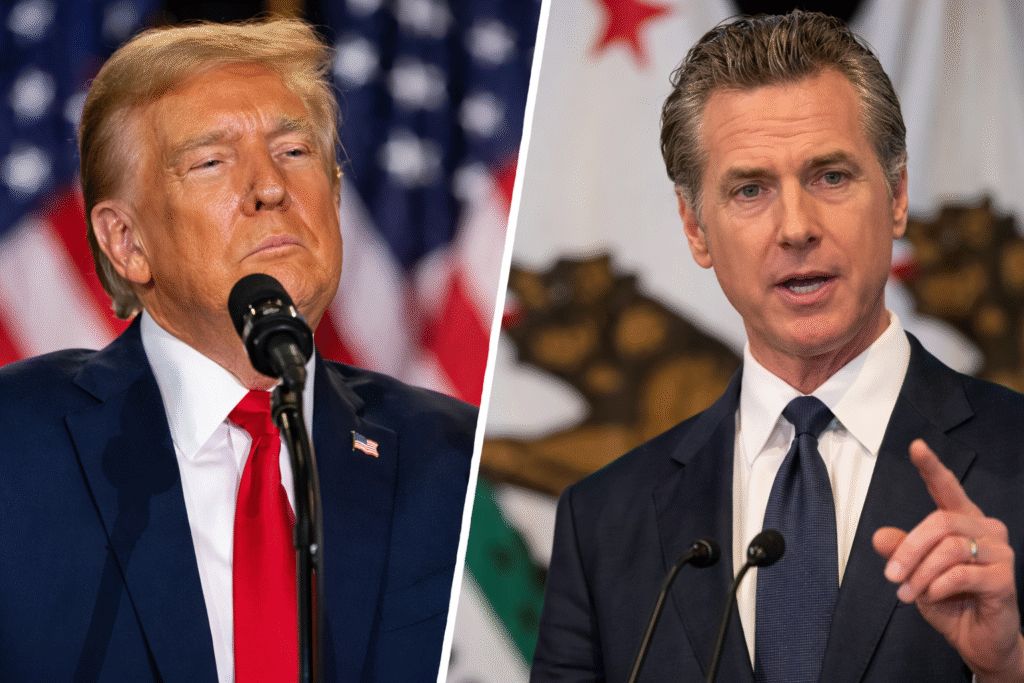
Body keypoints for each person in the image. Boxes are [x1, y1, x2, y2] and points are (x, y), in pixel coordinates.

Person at [531, 10, 1024, 683]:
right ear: (695, 227)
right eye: (750, 189)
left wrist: (1008, 668)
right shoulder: (603, 521)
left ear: (898, 195)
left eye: (831, 176)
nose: (796, 227)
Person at [0, 18, 475, 683]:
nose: (271, 187)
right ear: (126, 242)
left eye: (295, 151)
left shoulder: (453, 457)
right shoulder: (15, 443)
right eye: (211, 162)